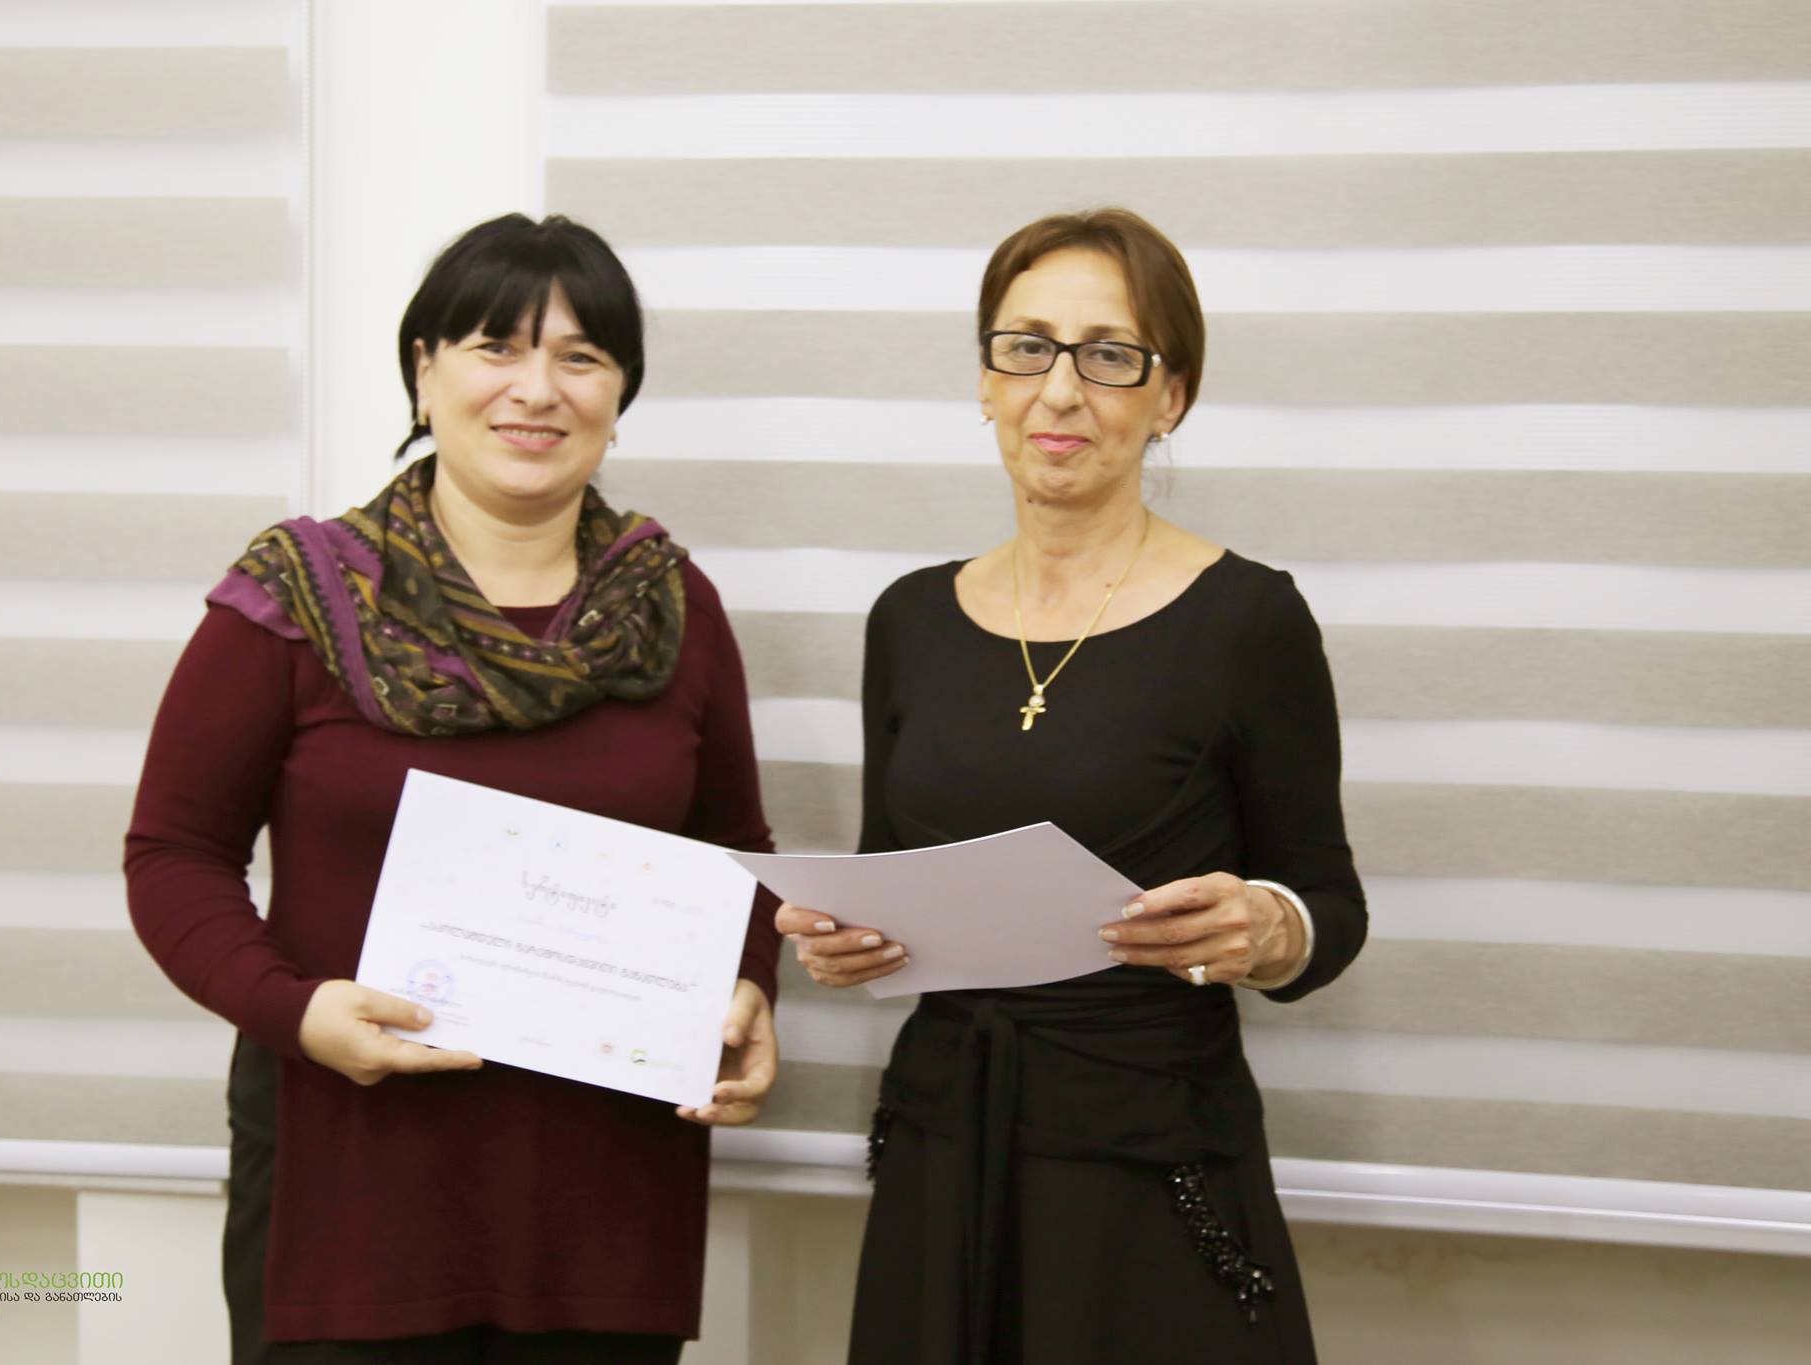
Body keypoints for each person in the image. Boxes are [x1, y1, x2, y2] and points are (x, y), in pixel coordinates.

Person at [125, 213, 782, 1364]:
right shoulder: (297, 598)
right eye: (495, 347)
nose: (537, 389)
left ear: (618, 395)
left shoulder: (673, 606)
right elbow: (174, 855)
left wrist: (748, 988)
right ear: (424, 372)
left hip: (604, 1196)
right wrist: (292, 1012)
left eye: (581, 357)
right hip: (353, 1185)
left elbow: (736, 849)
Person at [777, 207, 1367, 1364]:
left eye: (1107, 355)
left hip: (1146, 1160)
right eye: (1025, 347)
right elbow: (892, 871)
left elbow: (1327, 905)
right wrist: (848, 942)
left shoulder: (1248, 620)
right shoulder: (908, 619)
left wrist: (1265, 927)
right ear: (984, 381)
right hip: (945, 1140)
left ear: (1169, 396)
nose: (1058, 390)